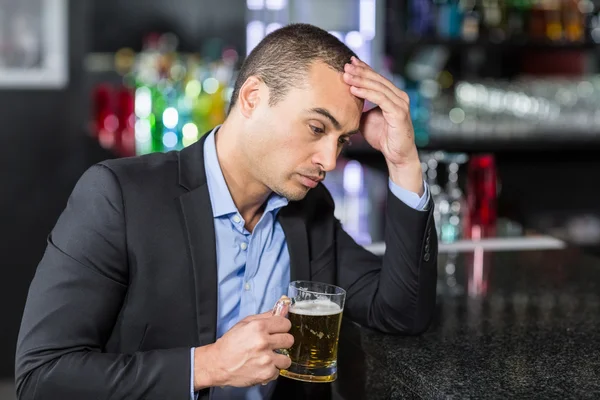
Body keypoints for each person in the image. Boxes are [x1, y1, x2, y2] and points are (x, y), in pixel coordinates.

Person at [15, 23, 437, 400]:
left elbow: (400, 312)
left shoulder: (309, 210)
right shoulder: (119, 197)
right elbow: (42, 376)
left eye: (342, 140)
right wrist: (209, 365)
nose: (329, 159)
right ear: (253, 97)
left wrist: (404, 162)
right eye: (316, 128)